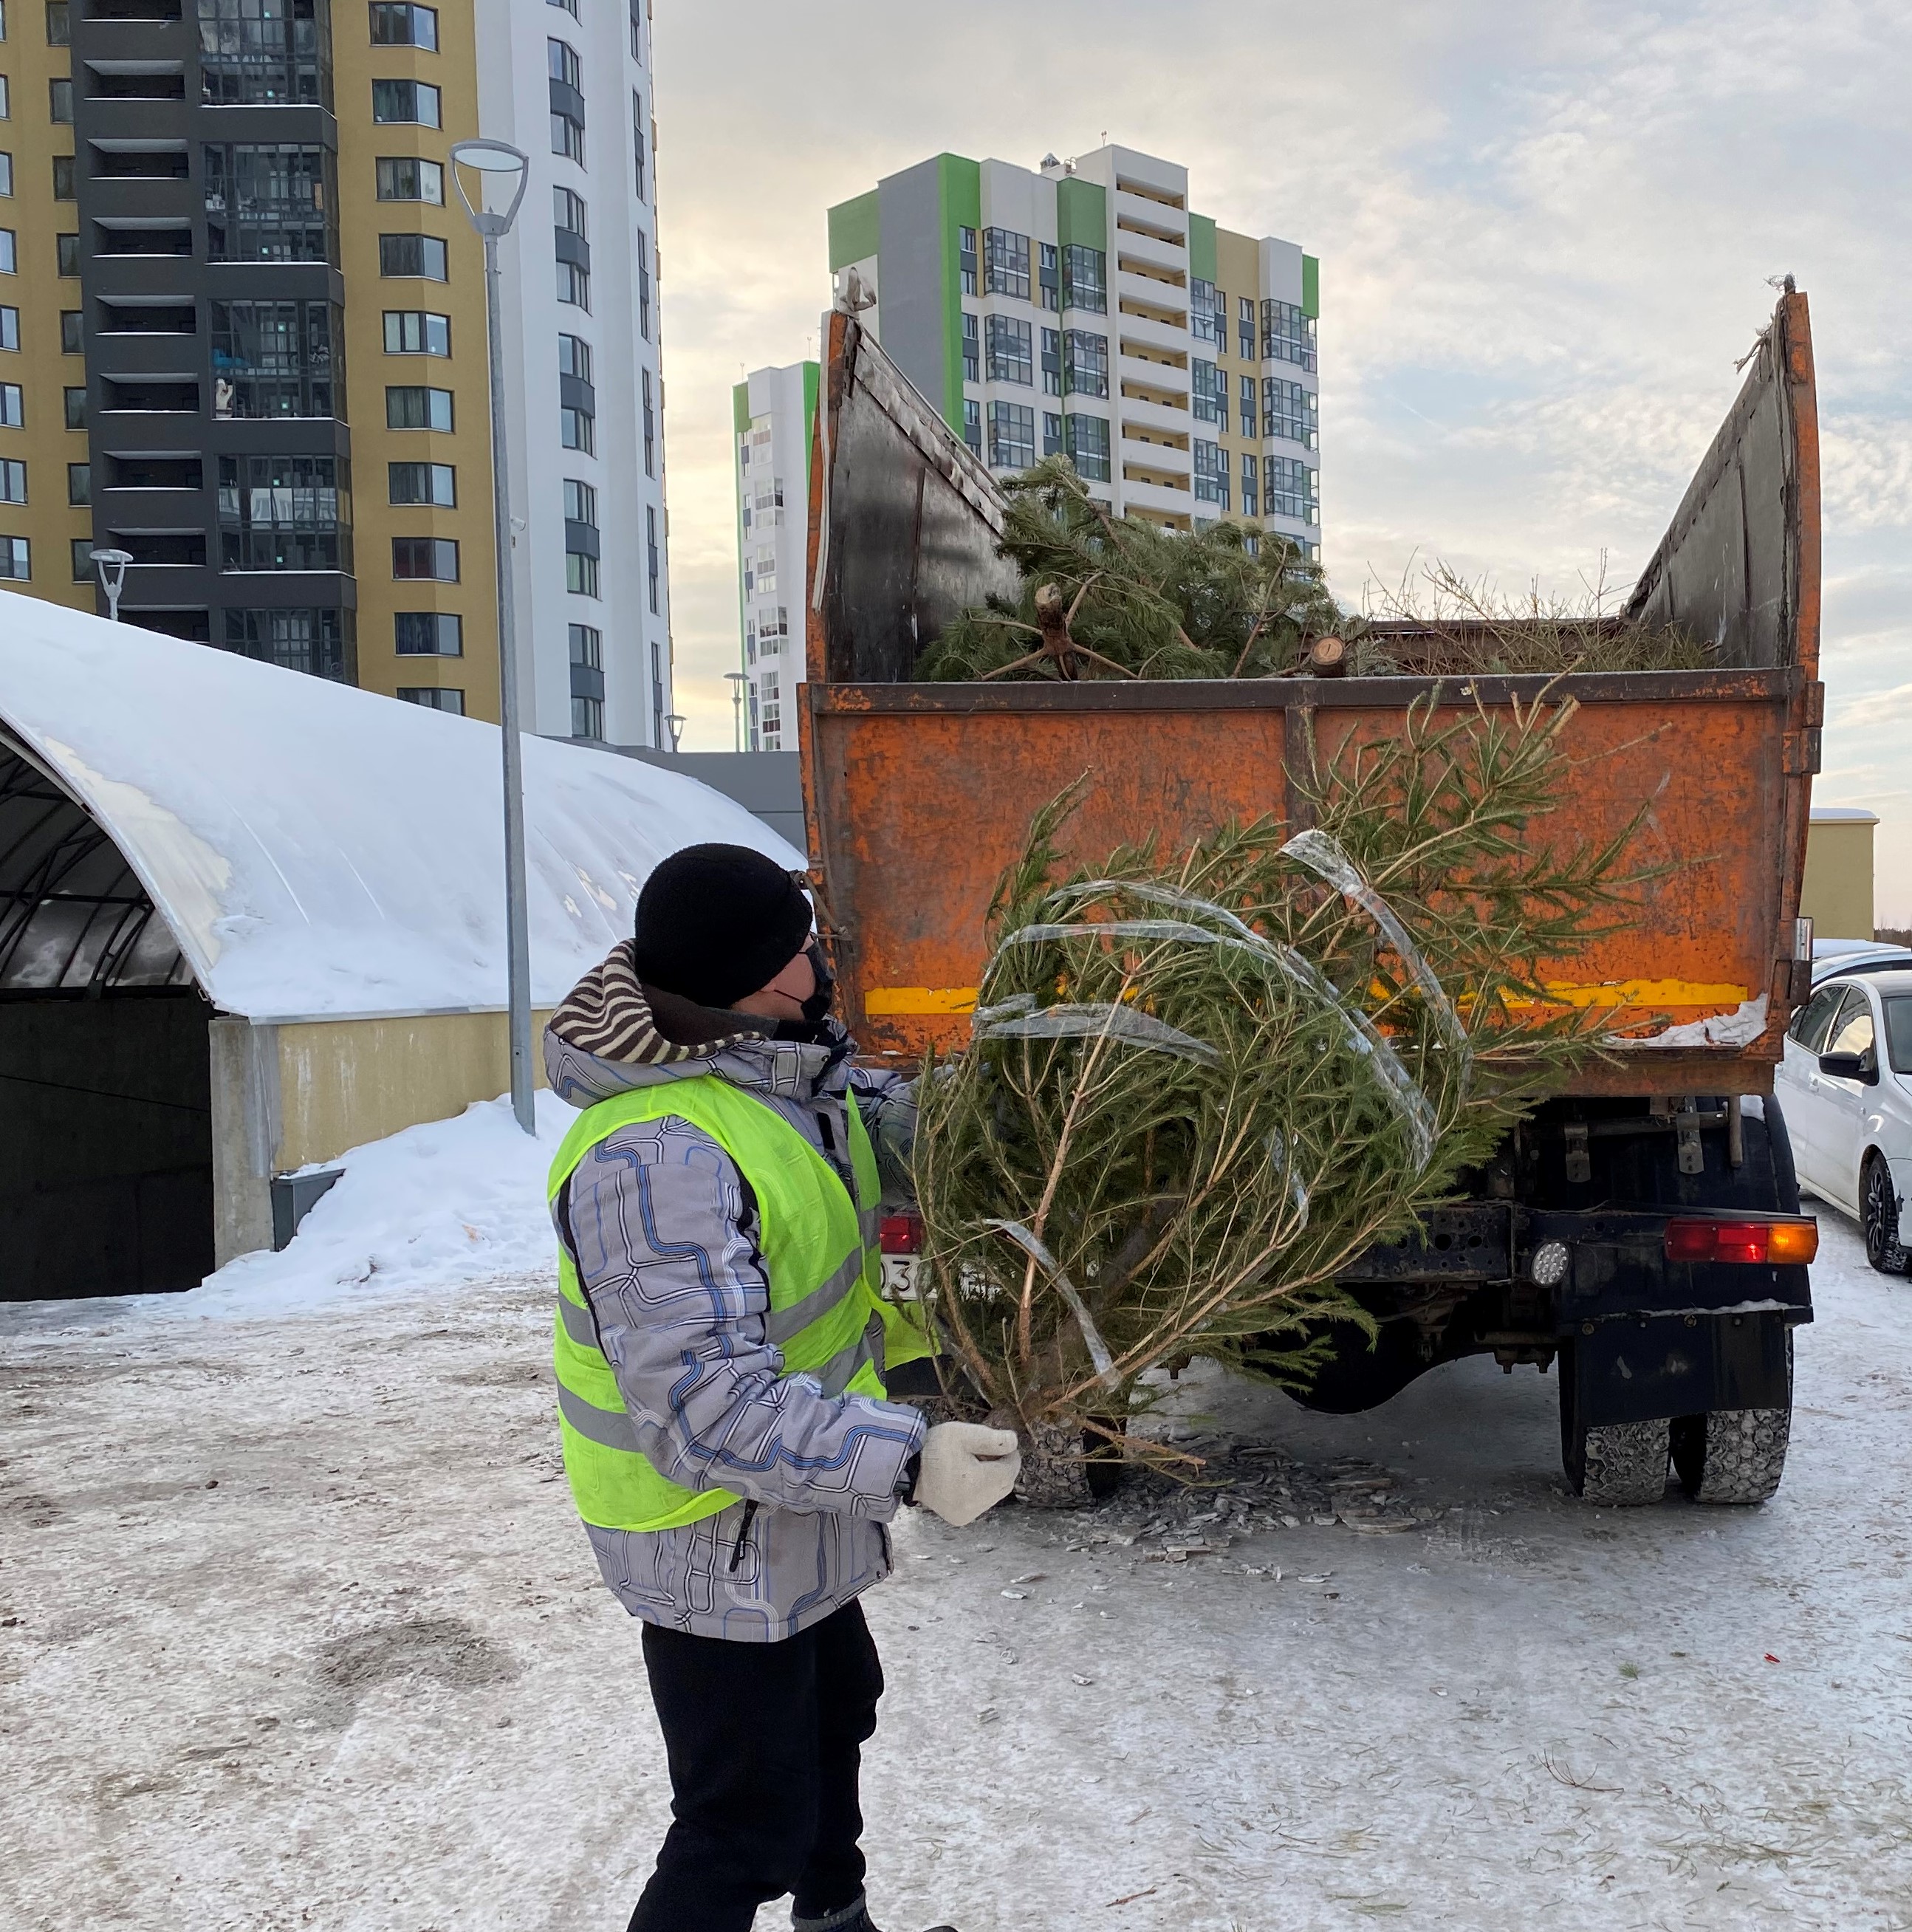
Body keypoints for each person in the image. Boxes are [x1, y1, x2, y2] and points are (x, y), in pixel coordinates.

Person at [544, 842, 1022, 1932]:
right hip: (709, 1529)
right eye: (805, 945)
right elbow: (706, 1409)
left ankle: (837, 1925)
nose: (822, 959)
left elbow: (896, 1129)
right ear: (763, 980)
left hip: (793, 1505)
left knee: (831, 1723)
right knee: (736, 1826)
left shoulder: (775, 1076)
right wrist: (907, 1458)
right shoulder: (656, 1156)